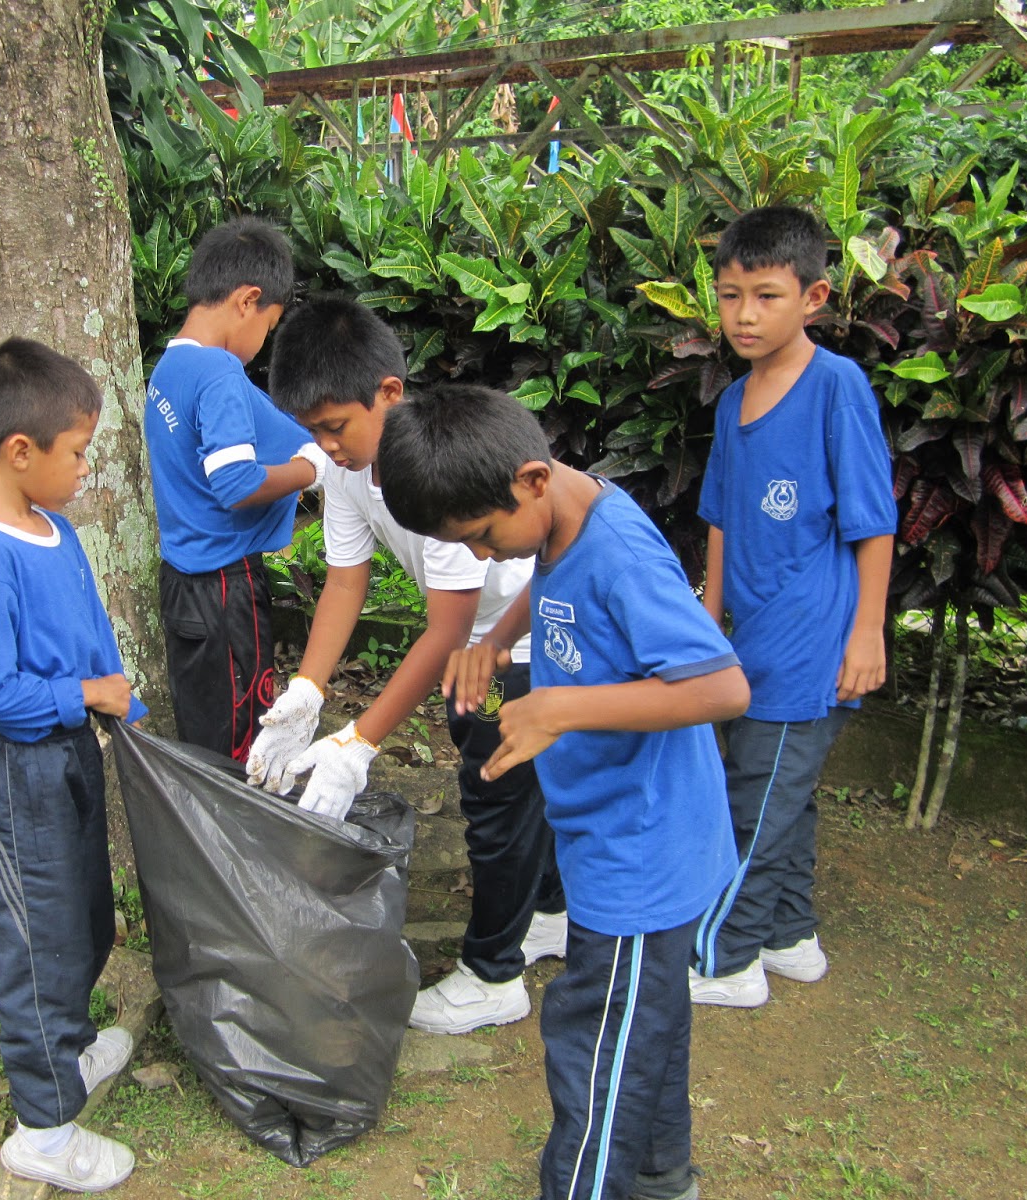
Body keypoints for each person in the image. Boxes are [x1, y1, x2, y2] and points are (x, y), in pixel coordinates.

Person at [376, 384, 748, 1200]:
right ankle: (660, 1177)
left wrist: (561, 706)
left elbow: (723, 687)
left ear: (532, 481)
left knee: (595, 1042)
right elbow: (552, 592)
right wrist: (497, 641)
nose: (482, 559)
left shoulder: (617, 551)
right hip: (612, 837)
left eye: (481, 538)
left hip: (642, 851)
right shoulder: (559, 517)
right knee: (646, 1027)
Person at [252, 295, 568, 1037]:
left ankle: (494, 975)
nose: (327, 446)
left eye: (337, 427)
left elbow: (447, 627)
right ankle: (549, 914)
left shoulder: (436, 466)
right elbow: (345, 580)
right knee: (518, 793)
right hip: (471, 641)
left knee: (496, 799)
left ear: (388, 393)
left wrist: (360, 742)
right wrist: (308, 688)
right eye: (314, 432)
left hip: (513, 641)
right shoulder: (349, 471)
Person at [0, 338, 147, 1193]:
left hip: (71, 759)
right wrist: (83, 698)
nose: (83, 469)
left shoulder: (55, 528)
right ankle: (43, 1129)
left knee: (86, 918)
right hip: (20, 778)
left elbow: (94, 632)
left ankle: (68, 1049)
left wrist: (123, 708)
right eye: (76, 454)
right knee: (36, 944)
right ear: (19, 452)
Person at [690, 206, 898, 1009]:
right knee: (783, 793)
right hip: (754, 642)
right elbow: (718, 513)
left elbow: (873, 520)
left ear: (813, 297)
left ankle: (726, 959)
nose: (744, 314)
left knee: (755, 800)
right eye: (730, 293)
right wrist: (709, 612)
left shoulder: (836, 387)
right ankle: (787, 935)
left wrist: (868, 631)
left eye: (767, 296)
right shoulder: (732, 401)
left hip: (812, 645)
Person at [144, 216, 328, 762]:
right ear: (248, 300)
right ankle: (242, 839)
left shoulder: (169, 368)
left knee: (205, 729)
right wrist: (310, 469)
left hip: (183, 581)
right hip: (225, 588)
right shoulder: (219, 373)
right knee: (245, 735)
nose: (263, 340)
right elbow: (236, 482)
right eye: (269, 325)